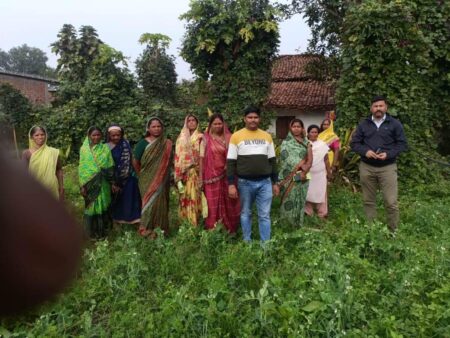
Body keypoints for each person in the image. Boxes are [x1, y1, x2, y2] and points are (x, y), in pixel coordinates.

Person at [350, 95, 407, 231]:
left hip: (387, 167)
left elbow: (402, 144)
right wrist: (365, 151)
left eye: (381, 106)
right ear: (371, 108)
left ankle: (393, 231)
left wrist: (388, 154)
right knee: (368, 201)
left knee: (391, 202)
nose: (378, 109)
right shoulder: (364, 124)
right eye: (375, 106)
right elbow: (354, 143)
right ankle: (372, 230)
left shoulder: (394, 124)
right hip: (367, 167)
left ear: (386, 107)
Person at [227, 106, 279, 242]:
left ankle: (265, 245)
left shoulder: (267, 136)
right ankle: (247, 241)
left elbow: (272, 161)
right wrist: (231, 184)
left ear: (259, 119)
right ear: (244, 119)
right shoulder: (236, 136)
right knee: (245, 213)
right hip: (245, 183)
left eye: (255, 117)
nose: (253, 120)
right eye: (250, 117)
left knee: (265, 215)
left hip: (265, 183)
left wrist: (276, 182)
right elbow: (231, 162)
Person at [200, 113, 240, 233]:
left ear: (223, 124)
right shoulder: (205, 139)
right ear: (210, 125)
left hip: (229, 176)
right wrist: (200, 178)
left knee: (230, 201)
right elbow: (202, 159)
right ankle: (213, 230)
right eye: (215, 124)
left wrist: (229, 164)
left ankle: (230, 229)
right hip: (211, 177)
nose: (217, 126)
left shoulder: (230, 138)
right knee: (213, 204)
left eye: (220, 123)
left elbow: (236, 155)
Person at [133, 117, 173, 238]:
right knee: (148, 204)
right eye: (153, 127)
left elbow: (169, 162)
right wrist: (142, 175)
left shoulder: (167, 143)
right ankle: (146, 229)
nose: (156, 129)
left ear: (162, 128)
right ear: (148, 129)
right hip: (146, 179)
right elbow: (135, 161)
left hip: (162, 180)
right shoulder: (142, 143)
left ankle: (161, 229)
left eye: (158, 126)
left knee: (160, 203)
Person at [79, 126, 115, 239]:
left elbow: (110, 165)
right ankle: (90, 232)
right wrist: (82, 185)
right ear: (89, 136)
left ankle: (103, 232)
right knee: (91, 206)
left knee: (103, 204)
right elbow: (82, 168)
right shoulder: (84, 150)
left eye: (98, 135)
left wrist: (112, 182)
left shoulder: (105, 148)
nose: (96, 137)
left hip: (104, 182)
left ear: (102, 136)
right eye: (93, 135)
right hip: (89, 183)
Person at [278, 119, 313, 226]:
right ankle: (286, 222)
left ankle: (297, 221)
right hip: (288, 174)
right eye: (294, 126)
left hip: (304, 174)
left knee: (300, 197)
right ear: (291, 128)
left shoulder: (307, 143)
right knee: (289, 197)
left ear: (302, 128)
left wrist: (304, 171)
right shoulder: (286, 142)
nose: (296, 128)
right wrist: (301, 165)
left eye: (299, 126)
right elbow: (285, 156)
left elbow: (310, 159)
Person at [106, 125, 141, 225]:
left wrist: (137, 174)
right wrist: (113, 181)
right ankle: (116, 222)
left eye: (118, 135)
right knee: (116, 201)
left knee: (129, 200)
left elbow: (131, 159)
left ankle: (132, 221)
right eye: (113, 135)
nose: (116, 137)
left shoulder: (125, 144)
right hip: (113, 179)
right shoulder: (105, 147)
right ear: (109, 135)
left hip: (128, 177)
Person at [174, 114, 203, 226]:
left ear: (197, 122)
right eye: (189, 120)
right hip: (183, 174)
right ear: (186, 123)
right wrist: (178, 175)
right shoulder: (181, 138)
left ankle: (196, 222)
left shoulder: (201, 137)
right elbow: (177, 156)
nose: (191, 122)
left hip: (195, 172)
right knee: (185, 196)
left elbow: (203, 156)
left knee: (195, 196)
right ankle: (185, 223)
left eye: (193, 120)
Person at [22, 125, 64, 200]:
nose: (40, 137)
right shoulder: (26, 153)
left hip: (52, 189)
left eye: (42, 134)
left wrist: (61, 187)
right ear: (31, 137)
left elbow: (59, 169)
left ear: (45, 136)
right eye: (36, 135)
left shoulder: (53, 152)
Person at [305, 124, 332, 218]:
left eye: (316, 132)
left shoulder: (322, 144)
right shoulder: (304, 144)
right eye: (312, 132)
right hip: (308, 173)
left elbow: (326, 160)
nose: (314, 134)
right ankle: (308, 212)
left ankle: (322, 213)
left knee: (321, 192)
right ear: (308, 133)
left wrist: (329, 172)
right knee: (308, 191)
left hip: (320, 173)